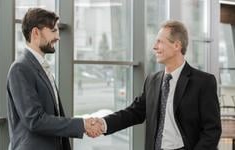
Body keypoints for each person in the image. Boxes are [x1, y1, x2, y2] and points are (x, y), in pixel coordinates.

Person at [88, 20, 221, 150]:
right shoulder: (152, 80)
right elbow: (134, 112)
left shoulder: (203, 82)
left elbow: (212, 130)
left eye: (160, 41)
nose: (154, 47)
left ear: (177, 45)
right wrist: (103, 123)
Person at [6, 8, 102, 150]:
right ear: (36, 33)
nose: (58, 37)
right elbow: (35, 120)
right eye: (53, 31)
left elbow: (52, 114)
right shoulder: (20, 68)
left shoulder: (40, 66)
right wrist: (82, 125)